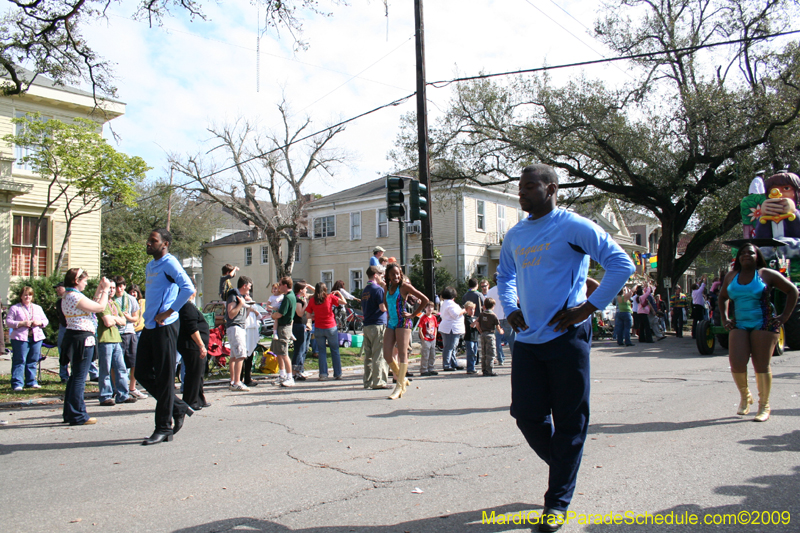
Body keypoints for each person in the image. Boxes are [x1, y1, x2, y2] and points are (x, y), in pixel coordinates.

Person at [497, 164, 634, 532]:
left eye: (529, 187)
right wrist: (510, 309)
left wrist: (588, 308)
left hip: (566, 338)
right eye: (520, 188)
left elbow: (622, 263)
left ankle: (556, 502)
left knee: (570, 421)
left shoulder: (573, 226)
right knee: (526, 415)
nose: (521, 193)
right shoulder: (515, 236)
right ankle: (565, 466)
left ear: (552, 188)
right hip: (527, 340)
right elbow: (504, 276)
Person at [718, 243, 798, 422]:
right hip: (740, 324)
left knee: (761, 365)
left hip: (764, 324)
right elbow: (722, 297)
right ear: (738, 257)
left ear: (757, 256)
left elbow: (792, 291)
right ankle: (745, 397)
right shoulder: (731, 275)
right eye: (743, 253)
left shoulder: (766, 274)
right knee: (737, 362)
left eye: (751, 253)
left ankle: (764, 406)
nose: (746, 255)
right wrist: (724, 318)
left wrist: (784, 316)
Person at [135, 229, 195, 445]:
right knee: (141, 372)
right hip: (149, 325)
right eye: (148, 240)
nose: (149, 243)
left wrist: (169, 311)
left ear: (165, 244)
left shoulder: (170, 263)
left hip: (165, 326)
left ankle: (163, 427)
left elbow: (188, 288)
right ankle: (178, 407)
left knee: (164, 377)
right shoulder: (151, 266)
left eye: (154, 241)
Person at [62, 268, 113, 426]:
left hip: (76, 337)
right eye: (84, 281)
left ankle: (70, 413)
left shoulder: (70, 295)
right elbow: (99, 307)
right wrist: (105, 290)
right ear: (76, 281)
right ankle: (78, 415)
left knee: (75, 378)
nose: (86, 283)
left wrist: (99, 289)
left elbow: (93, 303)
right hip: (82, 338)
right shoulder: (74, 296)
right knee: (79, 378)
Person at [382, 262, 429, 399]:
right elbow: (386, 302)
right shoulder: (387, 287)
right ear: (388, 276)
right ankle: (403, 379)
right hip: (391, 323)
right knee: (387, 354)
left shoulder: (404, 287)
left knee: (402, 354)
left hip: (403, 322)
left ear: (400, 274)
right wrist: (389, 312)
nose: (395, 276)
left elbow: (424, 300)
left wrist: (414, 315)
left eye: (397, 274)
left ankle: (399, 386)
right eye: (392, 274)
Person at [96, 280, 135, 406]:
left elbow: (124, 321)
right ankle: (105, 395)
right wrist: (115, 319)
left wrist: (114, 319)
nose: (112, 290)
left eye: (113, 288)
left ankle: (123, 394)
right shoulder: (102, 304)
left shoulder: (113, 303)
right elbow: (107, 322)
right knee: (105, 369)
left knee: (121, 368)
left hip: (116, 338)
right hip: (105, 339)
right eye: (110, 288)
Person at [6, 286, 49, 391]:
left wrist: (39, 323)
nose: (27, 297)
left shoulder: (37, 308)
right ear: (21, 296)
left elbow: (45, 320)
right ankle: (17, 383)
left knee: (33, 360)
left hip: (36, 337)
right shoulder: (15, 308)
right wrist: (21, 323)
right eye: (25, 295)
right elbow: (8, 322)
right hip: (20, 338)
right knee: (20, 360)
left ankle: (31, 381)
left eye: (29, 295)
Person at [177, 291, 210, 411]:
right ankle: (190, 401)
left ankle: (199, 399)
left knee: (199, 373)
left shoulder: (189, 305)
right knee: (193, 373)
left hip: (194, 345)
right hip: (191, 345)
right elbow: (192, 328)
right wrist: (201, 345)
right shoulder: (186, 306)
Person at [306, 282, 343, 380]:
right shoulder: (329, 297)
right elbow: (344, 302)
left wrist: (315, 316)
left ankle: (323, 374)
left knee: (322, 351)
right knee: (335, 350)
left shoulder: (312, 300)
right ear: (325, 289)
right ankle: (338, 373)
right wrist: (339, 294)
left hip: (318, 327)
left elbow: (308, 315)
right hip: (331, 326)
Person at [361, 266, 389, 389]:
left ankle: (367, 382)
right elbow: (383, 308)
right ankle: (379, 382)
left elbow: (363, 308)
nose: (382, 277)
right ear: (376, 275)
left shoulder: (365, 290)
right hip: (377, 324)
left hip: (367, 324)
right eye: (381, 275)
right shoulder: (378, 290)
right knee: (379, 354)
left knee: (369, 355)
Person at [112, 276, 141, 395]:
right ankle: (115, 388)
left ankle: (132, 387)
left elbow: (136, 318)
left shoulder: (130, 299)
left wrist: (127, 317)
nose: (119, 289)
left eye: (121, 286)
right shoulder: (111, 299)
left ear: (124, 286)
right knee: (116, 364)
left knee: (133, 362)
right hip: (116, 333)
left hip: (129, 332)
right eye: (117, 286)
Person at [226, 276, 254, 391]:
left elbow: (243, 316)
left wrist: (248, 306)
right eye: (249, 286)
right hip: (235, 327)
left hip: (240, 326)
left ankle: (233, 381)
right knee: (241, 355)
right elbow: (231, 314)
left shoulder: (241, 297)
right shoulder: (234, 296)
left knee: (234, 356)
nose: (250, 288)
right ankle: (237, 382)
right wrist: (240, 304)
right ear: (244, 285)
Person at [271, 276, 297, 387]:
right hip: (282, 326)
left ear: (285, 285)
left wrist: (273, 315)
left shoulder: (288, 297)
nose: (279, 287)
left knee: (284, 353)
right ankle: (282, 375)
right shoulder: (289, 296)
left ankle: (290, 377)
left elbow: (281, 313)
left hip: (284, 327)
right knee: (279, 353)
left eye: (280, 284)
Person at [486, 273, 515, 364]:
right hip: (507, 316)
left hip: (495, 317)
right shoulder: (508, 288)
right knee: (511, 339)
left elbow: (486, 304)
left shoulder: (490, 291)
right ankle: (515, 358)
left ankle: (500, 359)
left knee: (497, 340)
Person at [439, 286, 465, 371]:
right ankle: (447, 365)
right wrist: (464, 310)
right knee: (449, 347)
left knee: (453, 347)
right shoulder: (450, 304)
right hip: (450, 328)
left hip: (450, 328)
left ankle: (453, 363)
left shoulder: (445, 303)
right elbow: (455, 315)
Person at [127, 284, 147, 398]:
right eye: (130, 292)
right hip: (129, 331)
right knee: (129, 361)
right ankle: (126, 386)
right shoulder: (126, 302)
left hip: (140, 331)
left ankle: (134, 385)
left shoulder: (143, 302)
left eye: (135, 292)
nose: (133, 294)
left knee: (138, 359)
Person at [476, 297, 504, 376]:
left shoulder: (481, 314)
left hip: (483, 334)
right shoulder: (493, 315)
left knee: (484, 352)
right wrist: (501, 331)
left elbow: (477, 324)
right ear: (493, 306)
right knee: (491, 353)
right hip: (490, 334)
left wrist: (480, 330)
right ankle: (490, 370)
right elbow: (498, 326)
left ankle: (484, 369)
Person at [418, 301, 438, 376]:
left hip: (432, 338)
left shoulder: (434, 317)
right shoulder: (423, 318)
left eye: (431, 307)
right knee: (425, 354)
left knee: (432, 354)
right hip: (426, 339)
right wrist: (423, 338)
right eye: (428, 307)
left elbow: (435, 327)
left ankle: (431, 368)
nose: (430, 309)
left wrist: (435, 336)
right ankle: (424, 369)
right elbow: (420, 329)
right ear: (425, 308)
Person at [54, 282, 70, 383]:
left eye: (58, 287)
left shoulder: (72, 299)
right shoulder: (59, 302)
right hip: (63, 328)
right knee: (62, 352)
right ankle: (64, 375)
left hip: (73, 328)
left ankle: (93, 373)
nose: (57, 290)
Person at [463, 302, 479, 374]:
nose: (472, 311)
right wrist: (477, 320)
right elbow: (472, 325)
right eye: (470, 309)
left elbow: (478, 327)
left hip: (475, 338)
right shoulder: (466, 318)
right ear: (466, 310)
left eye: (473, 309)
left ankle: (473, 366)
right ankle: (470, 368)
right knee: (470, 353)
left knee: (475, 353)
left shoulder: (475, 318)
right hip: (469, 338)